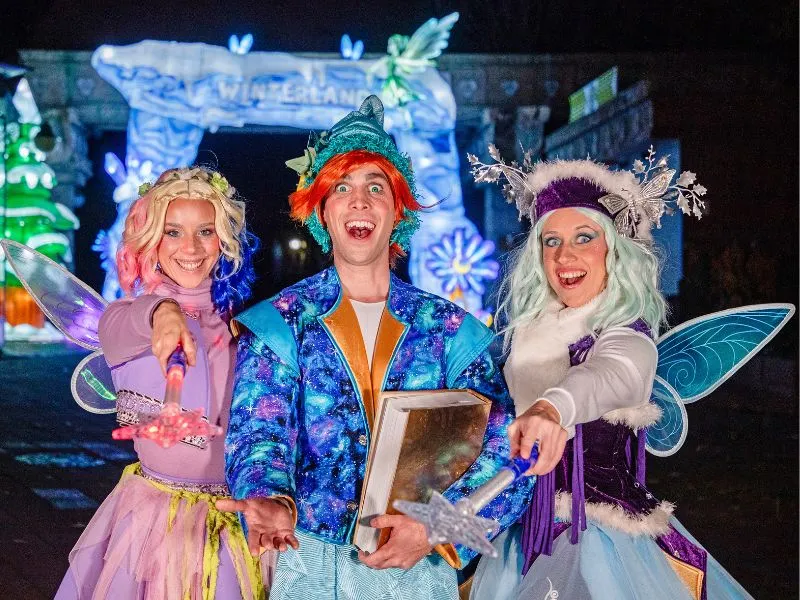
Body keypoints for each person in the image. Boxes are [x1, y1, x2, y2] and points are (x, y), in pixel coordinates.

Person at [219, 95, 533, 599]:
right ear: (322, 211)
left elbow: (508, 449)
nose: (359, 201)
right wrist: (269, 497)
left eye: (376, 187)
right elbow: (259, 433)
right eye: (341, 187)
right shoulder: (280, 323)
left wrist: (440, 527)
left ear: (398, 211)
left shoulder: (452, 330)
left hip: (417, 566)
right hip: (310, 566)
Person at [468, 151, 756, 599]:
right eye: (551, 241)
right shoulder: (526, 336)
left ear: (613, 249)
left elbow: (611, 375)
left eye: (584, 237)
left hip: (599, 539)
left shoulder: (626, 334)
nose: (564, 255)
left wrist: (551, 408)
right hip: (521, 537)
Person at [54, 167, 270, 600]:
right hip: (155, 526)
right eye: (173, 232)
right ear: (151, 240)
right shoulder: (123, 322)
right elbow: (132, 319)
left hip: (236, 522)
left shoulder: (247, 328)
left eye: (205, 231)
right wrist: (163, 312)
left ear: (225, 240)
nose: (190, 247)